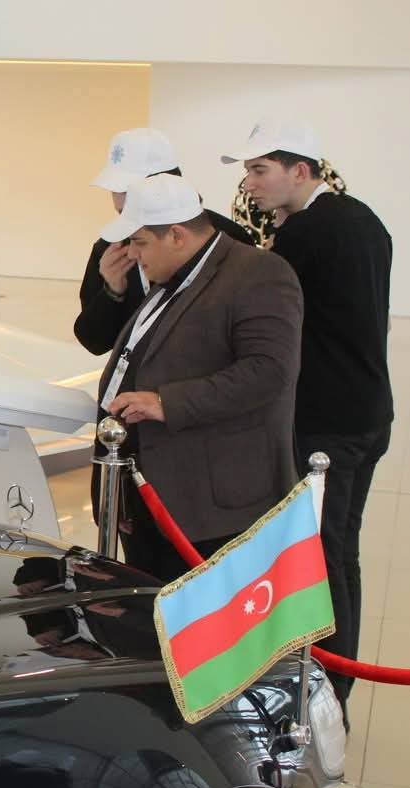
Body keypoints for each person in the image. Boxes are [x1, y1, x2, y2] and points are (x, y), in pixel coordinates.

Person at [223, 118, 395, 706]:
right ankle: (337, 677)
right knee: (341, 549)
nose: (250, 183)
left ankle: (329, 687)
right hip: (368, 410)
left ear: (300, 170)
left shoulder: (305, 233)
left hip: (329, 422)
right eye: (248, 171)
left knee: (325, 554)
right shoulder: (363, 218)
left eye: (260, 170)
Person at [93, 174, 303, 581]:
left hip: (212, 509)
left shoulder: (259, 273)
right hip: (150, 495)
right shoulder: (171, 278)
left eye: (139, 242)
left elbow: (269, 371)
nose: (133, 254)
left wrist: (165, 402)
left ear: (176, 235)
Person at [77, 128, 253, 356]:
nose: (118, 200)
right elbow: (93, 342)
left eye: (127, 189)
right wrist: (112, 293)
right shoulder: (111, 248)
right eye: (112, 188)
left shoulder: (227, 239)